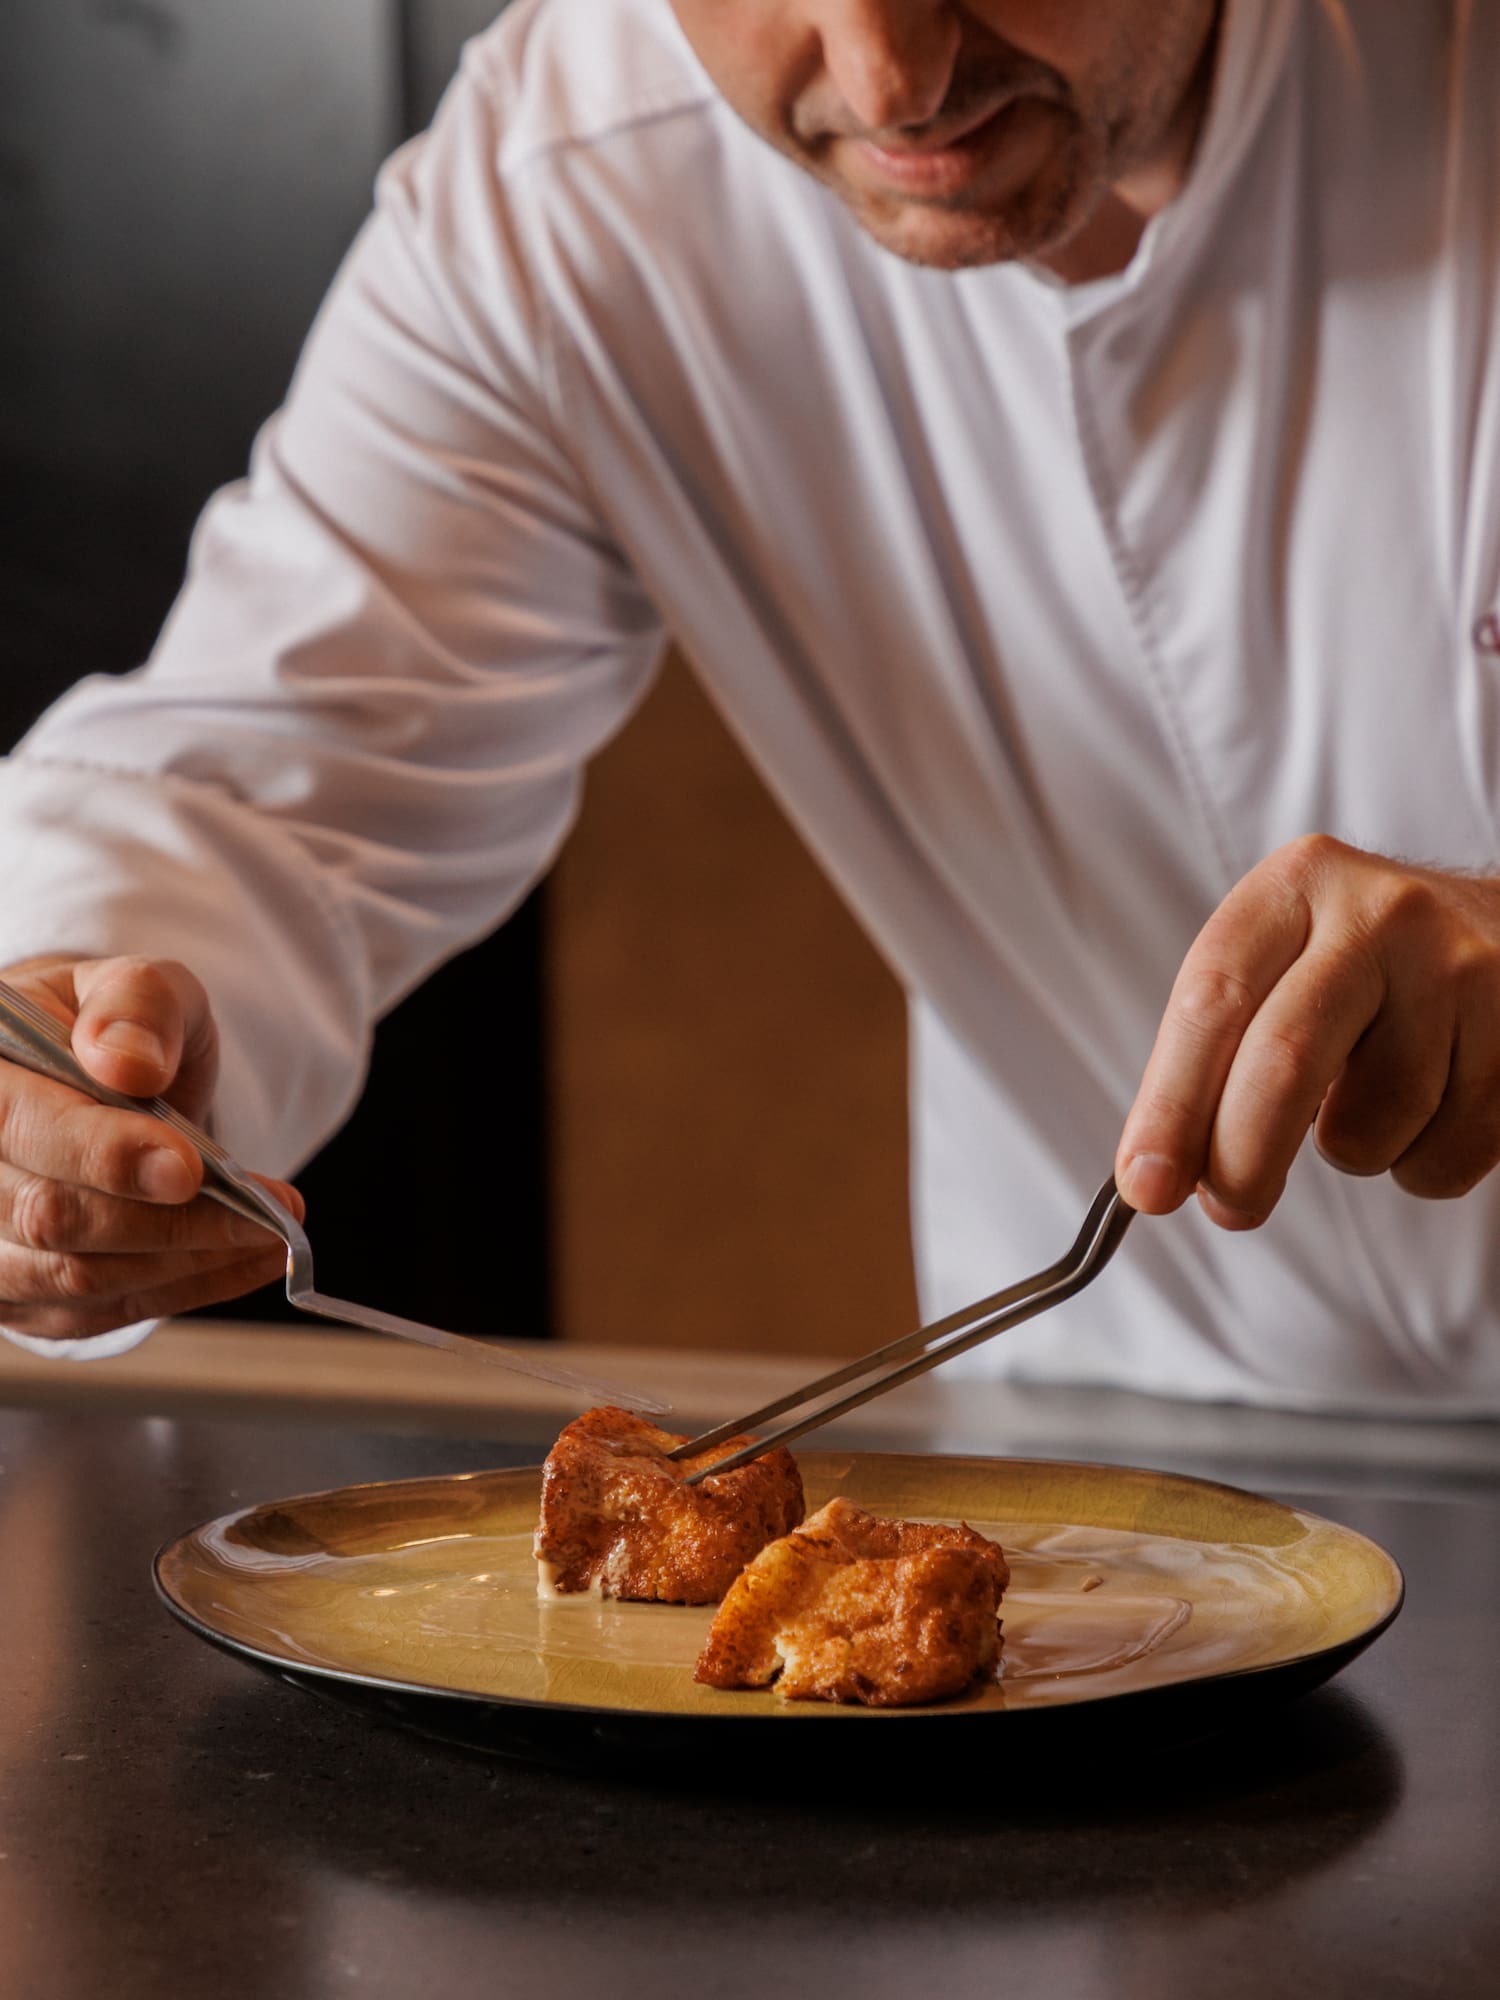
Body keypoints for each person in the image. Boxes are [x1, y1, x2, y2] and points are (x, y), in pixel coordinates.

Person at [2, 0, 1499, 1414]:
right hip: (1129, 1472)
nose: (892, 75)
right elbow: (264, 778)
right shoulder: (576, 174)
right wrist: (72, 1059)